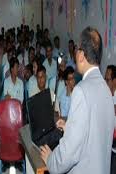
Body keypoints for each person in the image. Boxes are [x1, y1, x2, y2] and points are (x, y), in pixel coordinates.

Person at [40, 27, 114, 174]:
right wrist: (70, 127)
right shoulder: (105, 88)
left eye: (77, 49)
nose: (75, 52)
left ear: (81, 55)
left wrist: (51, 159)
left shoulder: (81, 91)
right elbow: (95, 134)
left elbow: (69, 154)